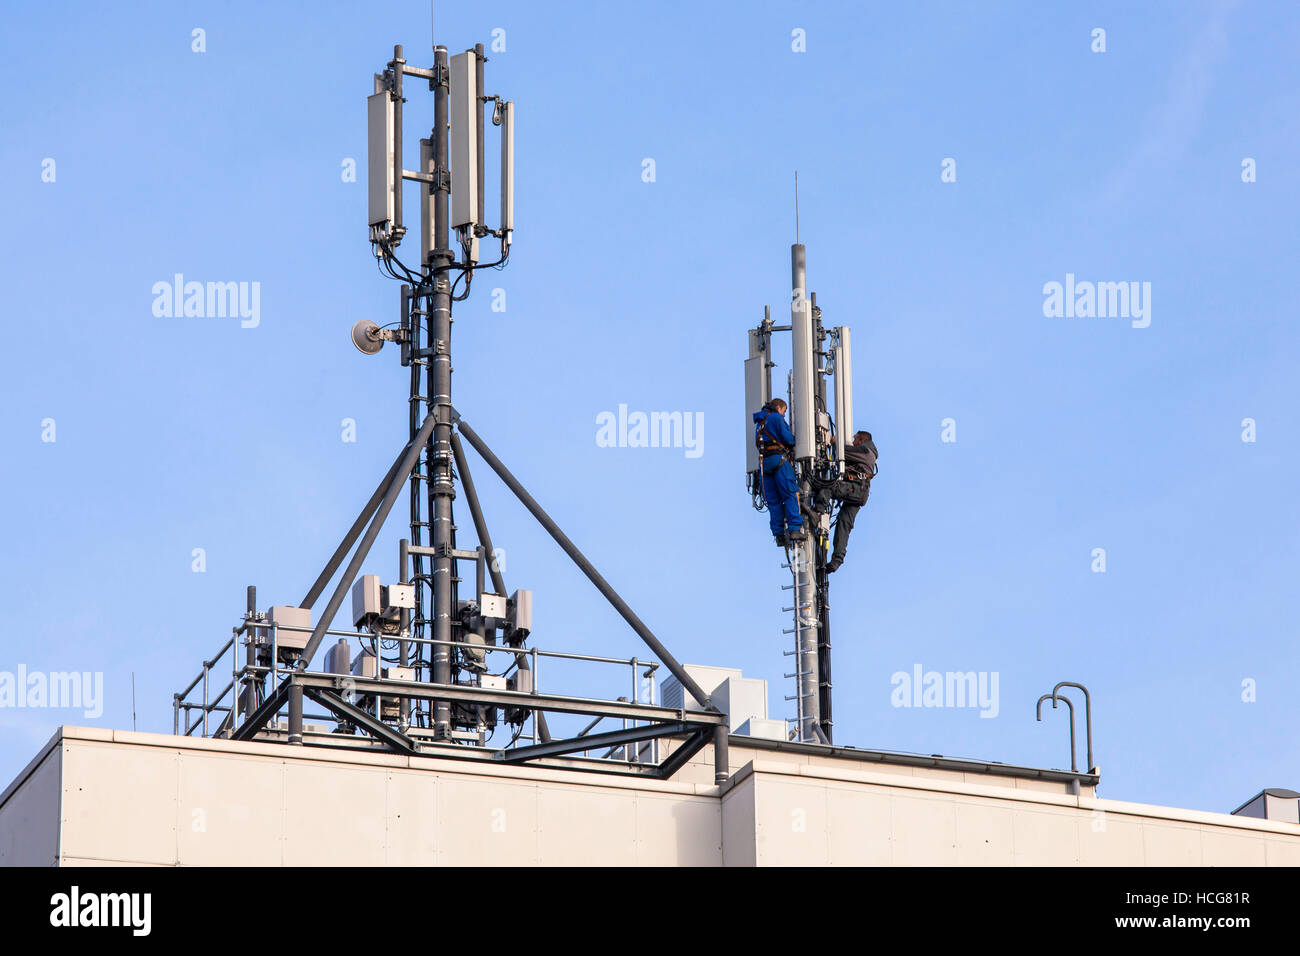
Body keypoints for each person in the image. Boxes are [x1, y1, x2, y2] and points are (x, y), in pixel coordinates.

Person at [823, 430, 877, 573]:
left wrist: (834, 441)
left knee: (827, 486)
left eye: (855, 440)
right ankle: (836, 561)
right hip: (859, 492)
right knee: (844, 523)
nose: (853, 443)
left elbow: (844, 452)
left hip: (855, 489)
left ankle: (815, 511)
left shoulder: (865, 451)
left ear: (861, 440)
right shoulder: (868, 453)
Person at [753, 399, 804, 547]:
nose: (784, 414)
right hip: (778, 460)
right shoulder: (776, 417)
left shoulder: (759, 422)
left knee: (773, 501)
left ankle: (779, 534)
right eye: (784, 410)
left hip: (764, 464)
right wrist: (799, 441)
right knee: (790, 494)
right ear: (778, 407)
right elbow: (787, 438)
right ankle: (795, 529)